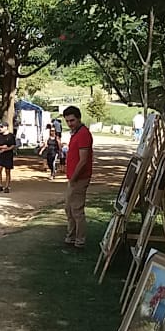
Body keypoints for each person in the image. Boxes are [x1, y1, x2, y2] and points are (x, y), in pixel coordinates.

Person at [62, 105, 94, 248]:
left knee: (76, 209)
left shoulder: (83, 134)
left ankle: (79, 240)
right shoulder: (76, 133)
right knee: (69, 208)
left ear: (79, 118)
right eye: (67, 121)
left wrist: (74, 177)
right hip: (73, 177)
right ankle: (71, 236)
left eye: (72, 120)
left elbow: (83, 160)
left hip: (79, 178)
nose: (70, 123)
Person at [0, 123, 16, 192]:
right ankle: (0, 185)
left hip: (8, 155)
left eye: (2, 127)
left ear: (6, 127)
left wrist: (6, 149)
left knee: (7, 171)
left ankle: (7, 186)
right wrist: (1, 147)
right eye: (0, 127)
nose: (0, 128)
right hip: (0, 155)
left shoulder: (11, 136)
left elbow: (13, 146)